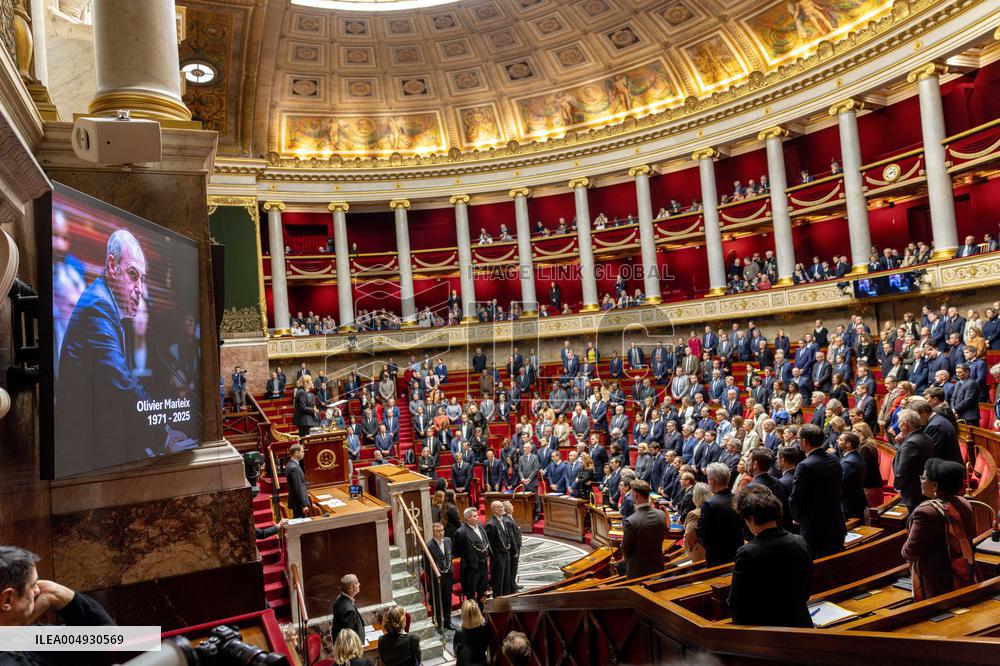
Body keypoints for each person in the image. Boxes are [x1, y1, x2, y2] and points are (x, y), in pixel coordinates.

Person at [56, 229, 168, 474]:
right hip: (87, 454)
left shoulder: (106, 302)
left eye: (143, 279)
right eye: (132, 275)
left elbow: (122, 379)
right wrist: (163, 431)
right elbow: (121, 383)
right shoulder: (99, 305)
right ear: (112, 265)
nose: (139, 289)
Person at [0, 546, 116, 665]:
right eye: (33, 585)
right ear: (7, 599)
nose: (37, 591)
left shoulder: (25, 636)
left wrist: (57, 594)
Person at [728, 487, 813, 627]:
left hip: (768, 633)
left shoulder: (747, 553)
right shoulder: (800, 541)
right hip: (801, 624)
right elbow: (806, 591)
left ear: (751, 519)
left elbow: (736, 603)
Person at [901, 458, 981, 601]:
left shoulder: (925, 513)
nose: (921, 481)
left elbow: (911, 552)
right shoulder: (964, 502)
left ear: (935, 485)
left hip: (940, 584)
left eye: (923, 478)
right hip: (967, 573)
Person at [789, 424, 846, 557]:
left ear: (804, 441)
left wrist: (796, 517)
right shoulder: (834, 459)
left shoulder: (804, 465)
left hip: (814, 528)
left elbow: (796, 497)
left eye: (798, 438)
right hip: (836, 522)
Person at [696, 462, 745, 566]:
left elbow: (701, 533)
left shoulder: (709, 504)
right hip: (737, 553)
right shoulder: (739, 499)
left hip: (717, 557)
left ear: (712, 481)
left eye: (708, 479)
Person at [620, 480, 667, 578]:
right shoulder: (661, 515)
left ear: (635, 496)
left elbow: (625, 549)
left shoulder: (631, 521)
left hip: (638, 571)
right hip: (658, 566)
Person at [893, 409, 935, 514]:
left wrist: (897, 487)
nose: (898, 426)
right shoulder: (926, 437)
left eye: (899, 423)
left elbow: (902, 470)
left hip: (912, 493)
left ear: (905, 425)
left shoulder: (910, 443)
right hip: (923, 489)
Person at [454, 507, 490, 608]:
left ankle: (483, 614)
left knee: (482, 593)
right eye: (475, 516)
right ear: (467, 519)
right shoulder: (460, 532)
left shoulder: (480, 526)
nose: (478, 517)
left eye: (477, 515)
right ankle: (472, 618)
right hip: (471, 569)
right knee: (471, 596)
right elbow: (458, 551)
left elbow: (485, 542)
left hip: (483, 566)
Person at [425, 522, 454, 631]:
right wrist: (434, 576)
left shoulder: (448, 541)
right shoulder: (429, 546)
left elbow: (450, 556)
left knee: (448, 599)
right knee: (437, 601)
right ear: (433, 532)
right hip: (437, 578)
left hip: (448, 575)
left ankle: (448, 622)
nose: (441, 533)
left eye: (442, 530)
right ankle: (439, 623)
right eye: (438, 531)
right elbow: (426, 566)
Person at [485, 501, 512, 599]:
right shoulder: (490, 524)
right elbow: (490, 545)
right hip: (498, 557)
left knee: (506, 580)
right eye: (501, 507)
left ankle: (506, 601)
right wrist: (496, 558)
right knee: (498, 582)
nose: (503, 509)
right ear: (495, 510)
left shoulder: (503, 519)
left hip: (505, 554)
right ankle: (498, 603)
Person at [453, 599, 489, 666]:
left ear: (463, 614)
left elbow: (455, 652)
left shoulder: (459, 632)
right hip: (481, 663)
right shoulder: (485, 628)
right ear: (478, 612)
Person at [331, 574, 365, 643]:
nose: (359, 584)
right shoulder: (349, 611)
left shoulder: (339, 599)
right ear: (350, 588)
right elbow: (348, 637)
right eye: (356, 583)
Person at [683, 482, 710, 563]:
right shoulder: (712, 509)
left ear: (696, 496)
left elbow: (689, 536)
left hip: (699, 553)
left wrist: (688, 549)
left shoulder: (695, 514)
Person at [285, 443, 310, 518]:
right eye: (302, 451)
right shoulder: (294, 468)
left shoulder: (291, 464)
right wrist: (303, 505)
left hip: (297, 503)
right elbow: (298, 488)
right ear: (296, 453)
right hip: (298, 504)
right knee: (301, 525)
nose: (304, 453)